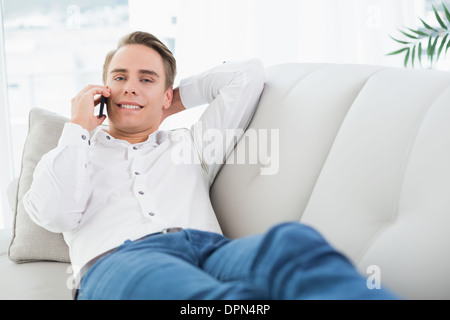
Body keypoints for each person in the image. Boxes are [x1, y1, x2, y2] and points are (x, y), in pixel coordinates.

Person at [23, 31, 398, 300]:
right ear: (103, 91)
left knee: (293, 243)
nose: (130, 87)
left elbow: (245, 74)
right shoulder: (71, 154)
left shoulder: (191, 145)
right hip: (121, 261)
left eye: (146, 79)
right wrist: (77, 129)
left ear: (167, 94)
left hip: (210, 250)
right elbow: (55, 215)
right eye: (119, 78)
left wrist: (160, 105)